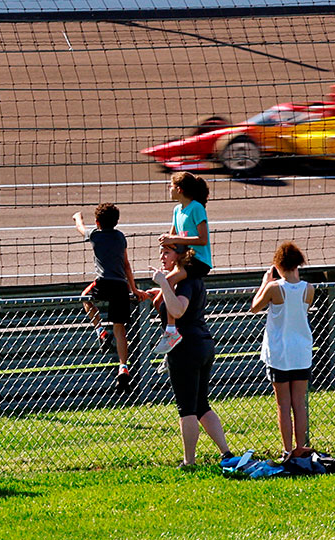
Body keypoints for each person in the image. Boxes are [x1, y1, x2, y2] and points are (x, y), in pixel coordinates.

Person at [149, 243, 232, 468]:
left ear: (180, 255)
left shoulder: (183, 281)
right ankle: (226, 453)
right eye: (161, 252)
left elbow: (178, 310)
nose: (161, 256)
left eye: (167, 252)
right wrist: (161, 290)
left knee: (187, 409)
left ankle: (189, 462)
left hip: (187, 348)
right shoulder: (189, 279)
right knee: (202, 405)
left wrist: (163, 283)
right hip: (203, 344)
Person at [73, 204, 150, 392]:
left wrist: (77, 218)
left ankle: (100, 330)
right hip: (121, 285)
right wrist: (134, 289)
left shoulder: (95, 235)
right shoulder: (120, 237)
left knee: (85, 297)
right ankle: (123, 366)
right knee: (120, 327)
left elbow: (81, 228)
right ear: (117, 221)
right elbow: (126, 265)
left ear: (98, 222)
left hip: (103, 282)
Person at [250, 241, 315, 461]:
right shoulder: (309, 288)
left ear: (278, 265)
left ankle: (287, 450)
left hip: (280, 353)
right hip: (301, 351)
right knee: (299, 403)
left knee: (283, 404)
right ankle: (301, 447)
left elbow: (254, 306)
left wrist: (264, 283)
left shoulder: (274, 288)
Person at [155, 172, 212, 361]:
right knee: (159, 302)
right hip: (183, 259)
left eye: (171, 186)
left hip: (198, 260)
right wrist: (166, 244)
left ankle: (172, 332)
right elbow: (173, 239)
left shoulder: (196, 208)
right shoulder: (177, 210)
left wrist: (174, 238)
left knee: (168, 281)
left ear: (179, 189)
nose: (168, 189)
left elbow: (202, 239)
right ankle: (171, 338)